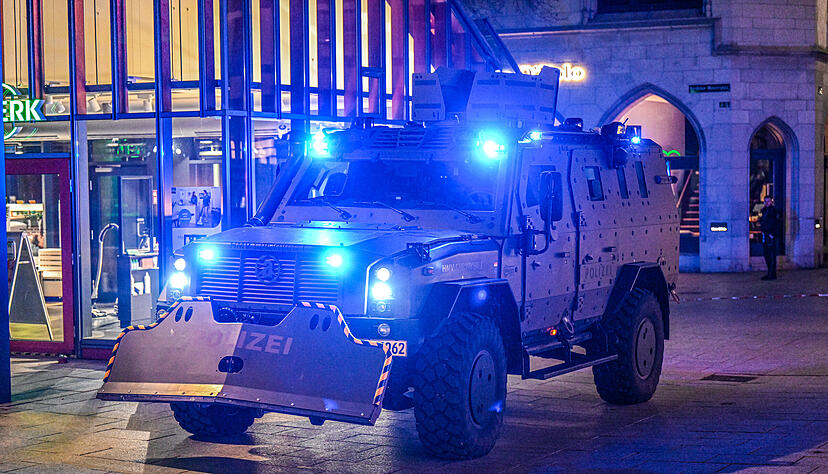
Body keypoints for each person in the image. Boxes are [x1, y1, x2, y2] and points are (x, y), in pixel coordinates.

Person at [759, 196, 781, 280]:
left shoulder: (774, 211)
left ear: (771, 201)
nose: (767, 203)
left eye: (768, 201)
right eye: (765, 201)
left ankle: (772, 274)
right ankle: (769, 273)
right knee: (767, 255)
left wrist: (773, 234)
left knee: (771, 256)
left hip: (770, 235)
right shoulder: (764, 210)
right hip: (765, 234)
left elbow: (777, 223)